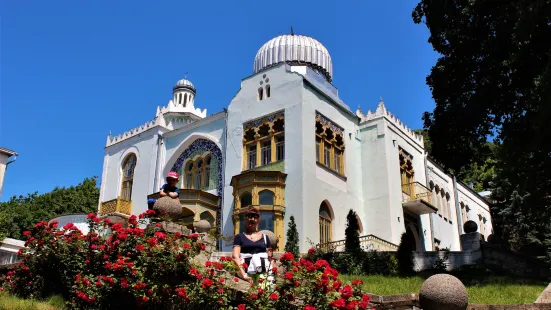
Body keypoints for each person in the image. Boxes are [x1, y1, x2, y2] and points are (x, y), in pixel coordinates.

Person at [232, 206, 274, 285]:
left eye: (255, 217)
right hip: (246, 272)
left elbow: (270, 258)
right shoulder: (239, 237)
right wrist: (243, 274)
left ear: (258, 220)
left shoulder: (265, 237)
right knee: (248, 296)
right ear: (245, 218)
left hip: (263, 272)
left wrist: (270, 274)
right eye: (249, 216)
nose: (252, 219)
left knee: (264, 294)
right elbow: (235, 256)